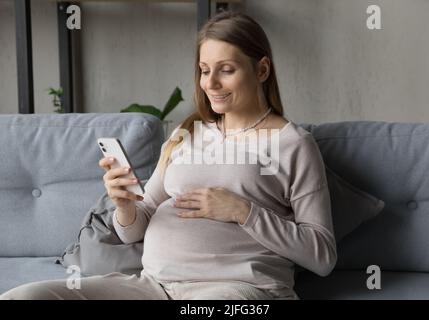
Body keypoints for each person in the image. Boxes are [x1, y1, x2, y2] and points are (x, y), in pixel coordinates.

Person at [0, 11, 336, 300]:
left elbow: (322, 254)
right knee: (24, 296)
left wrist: (242, 211)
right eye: (205, 70)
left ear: (261, 70)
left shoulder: (293, 144)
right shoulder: (186, 134)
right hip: (153, 287)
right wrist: (126, 206)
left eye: (226, 70)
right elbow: (136, 227)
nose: (211, 83)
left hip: (239, 290)